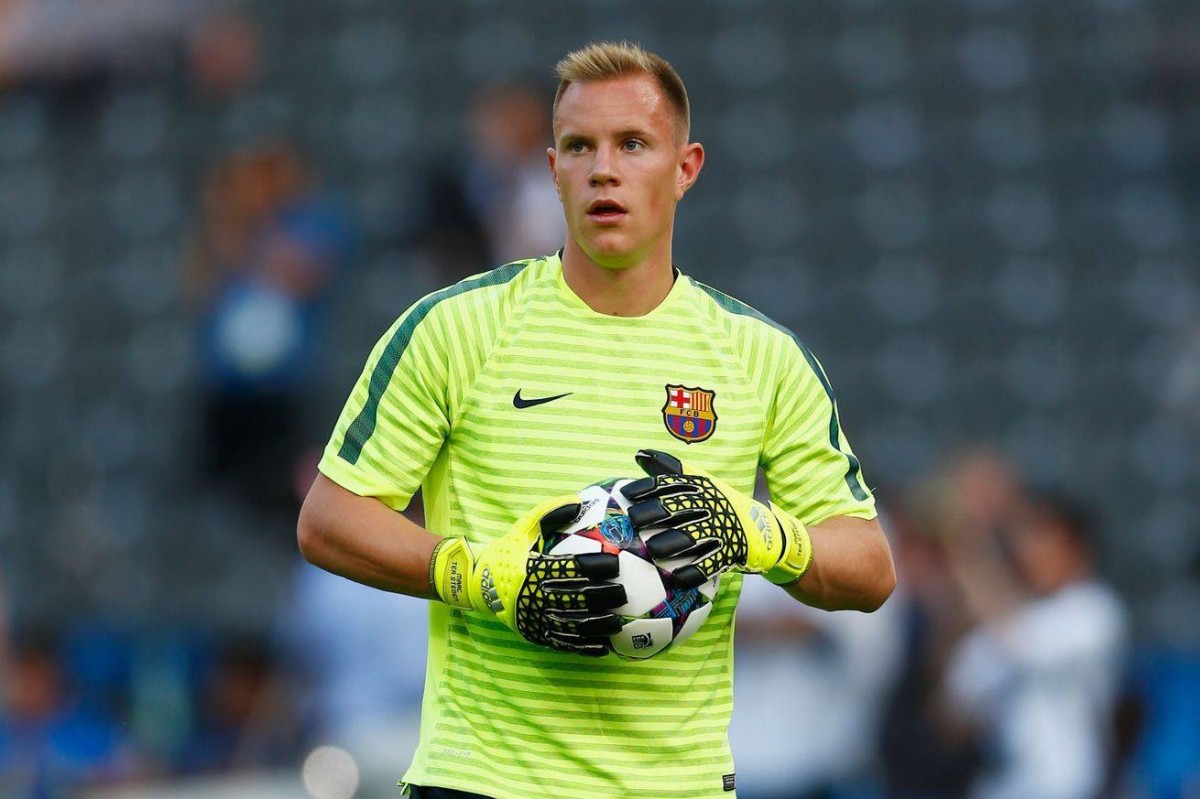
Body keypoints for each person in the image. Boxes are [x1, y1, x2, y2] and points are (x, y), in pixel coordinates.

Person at [298, 41, 895, 799]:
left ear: (686, 168)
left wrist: (757, 531)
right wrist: (481, 577)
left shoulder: (763, 357)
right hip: (482, 782)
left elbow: (870, 568)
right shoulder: (454, 328)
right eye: (579, 147)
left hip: (675, 787)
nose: (602, 169)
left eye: (633, 144)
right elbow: (329, 519)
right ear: (552, 171)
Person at [941, 488, 1128, 799]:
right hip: (1001, 786)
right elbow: (955, 708)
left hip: (1070, 787)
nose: (1031, 552)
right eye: (1028, 540)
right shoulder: (1010, 620)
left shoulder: (1094, 611)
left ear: (1077, 547)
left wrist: (971, 555)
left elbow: (1023, 645)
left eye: (1044, 540)